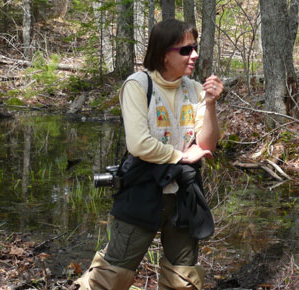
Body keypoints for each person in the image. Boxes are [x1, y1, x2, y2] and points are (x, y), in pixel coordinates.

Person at [76, 18, 224, 290]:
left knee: (184, 280)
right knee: (111, 277)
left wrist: (211, 105)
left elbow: (207, 146)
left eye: (195, 47)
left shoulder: (194, 89)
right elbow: (139, 144)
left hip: (184, 194)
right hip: (142, 188)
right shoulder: (138, 84)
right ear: (163, 53)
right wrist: (181, 155)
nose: (194, 54)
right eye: (185, 50)